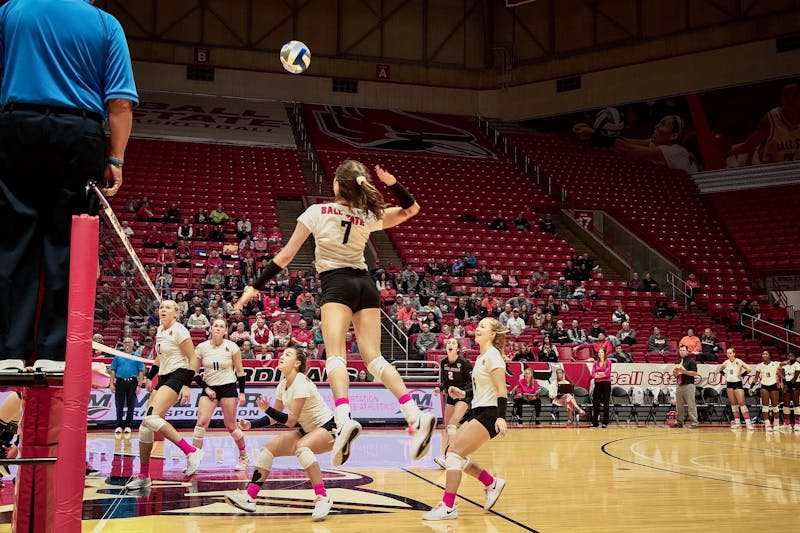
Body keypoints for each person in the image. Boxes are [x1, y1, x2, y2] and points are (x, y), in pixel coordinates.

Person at [236, 160, 435, 467]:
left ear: (337, 185)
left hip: (336, 283)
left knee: (336, 357)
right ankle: (414, 414)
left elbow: (286, 255)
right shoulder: (366, 215)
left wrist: (255, 286)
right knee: (376, 359)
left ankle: (343, 419)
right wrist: (393, 183)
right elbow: (411, 210)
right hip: (366, 284)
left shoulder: (317, 211)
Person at [0, 0, 137, 371]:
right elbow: (121, 104)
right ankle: (52, 354)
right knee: (66, 243)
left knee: (14, 241)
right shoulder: (106, 24)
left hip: (16, 125)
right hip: (79, 134)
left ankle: (9, 351)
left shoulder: (12, 10)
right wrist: (116, 159)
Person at [225, 348, 334, 520]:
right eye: (282, 354)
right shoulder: (283, 385)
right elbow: (274, 417)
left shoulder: (301, 382)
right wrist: (251, 424)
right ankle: (250, 497)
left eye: (288, 355)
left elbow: (290, 421)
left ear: (297, 363)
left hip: (330, 428)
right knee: (268, 449)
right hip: (308, 430)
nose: (282, 356)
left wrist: (267, 409)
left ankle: (322, 497)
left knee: (302, 447)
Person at [422, 318, 507, 521]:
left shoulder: (493, 357)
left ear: (492, 334)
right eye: (478, 326)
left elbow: (502, 389)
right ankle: (491, 482)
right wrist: (463, 393)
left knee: (453, 453)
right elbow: (480, 389)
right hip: (478, 410)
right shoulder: (482, 357)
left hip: (491, 413)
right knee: (457, 454)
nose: (478, 328)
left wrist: (502, 417)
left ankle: (448, 505)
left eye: (483, 327)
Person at [125, 300, 203, 490]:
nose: (163, 310)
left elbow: (194, 359)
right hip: (164, 376)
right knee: (145, 427)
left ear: (176, 313)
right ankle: (144, 475)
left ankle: (191, 451)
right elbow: (160, 357)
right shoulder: (161, 330)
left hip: (179, 375)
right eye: (161, 307)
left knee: (152, 418)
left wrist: (186, 384)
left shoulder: (179, 330)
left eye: (167, 307)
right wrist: (151, 377)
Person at [192, 318, 248, 470]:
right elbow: (194, 373)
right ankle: (194, 460)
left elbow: (240, 372)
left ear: (225, 331)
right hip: (209, 387)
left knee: (230, 425)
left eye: (221, 326)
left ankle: (244, 457)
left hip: (228, 387)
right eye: (215, 325)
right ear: (210, 328)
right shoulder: (202, 347)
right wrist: (206, 388)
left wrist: (242, 393)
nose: (218, 328)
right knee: (201, 422)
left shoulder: (232, 347)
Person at [432, 339, 473, 469]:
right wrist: (440, 388)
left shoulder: (465, 363)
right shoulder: (443, 362)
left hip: (463, 394)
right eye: (448, 342)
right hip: (451, 395)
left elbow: (473, 383)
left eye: (453, 343)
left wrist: (462, 392)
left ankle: (447, 457)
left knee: (452, 423)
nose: (450, 344)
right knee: (448, 427)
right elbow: (445, 381)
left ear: (458, 349)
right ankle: (459, 454)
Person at [109, 336, 145, 438]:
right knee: (119, 405)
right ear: (123, 344)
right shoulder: (118, 356)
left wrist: (139, 385)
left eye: (129, 342)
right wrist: (111, 383)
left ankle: (128, 425)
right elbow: (113, 370)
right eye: (126, 342)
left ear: (133, 344)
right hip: (120, 382)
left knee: (131, 404)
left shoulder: (137, 356)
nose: (127, 344)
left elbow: (141, 371)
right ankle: (119, 425)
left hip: (132, 382)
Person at [719, 348, 753, 430]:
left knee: (742, 404)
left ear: (734, 353)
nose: (728, 355)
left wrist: (742, 375)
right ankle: (737, 422)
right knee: (733, 404)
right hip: (729, 384)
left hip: (738, 383)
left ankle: (748, 423)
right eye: (727, 353)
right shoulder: (726, 362)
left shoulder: (739, 361)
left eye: (730, 353)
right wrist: (725, 375)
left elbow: (749, 369)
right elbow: (720, 370)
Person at [753, 350, 781, 432]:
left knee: (775, 406)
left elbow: (783, 367)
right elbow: (756, 378)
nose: (764, 355)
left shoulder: (775, 364)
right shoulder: (759, 366)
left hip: (773, 386)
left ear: (770, 356)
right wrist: (751, 387)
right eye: (763, 354)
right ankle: (767, 424)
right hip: (764, 387)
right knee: (765, 407)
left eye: (766, 354)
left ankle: (776, 423)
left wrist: (781, 381)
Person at [672, 345, 698, 429]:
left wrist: (684, 372)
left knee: (691, 404)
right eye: (680, 350)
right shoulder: (677, 362)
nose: (682, 351)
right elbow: (676, 375)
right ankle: (679, 422)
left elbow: (694, 373)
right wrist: (675, 373)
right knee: (679, 406)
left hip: (688, 385)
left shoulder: (691, 361)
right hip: (679, 385)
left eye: (683, 350)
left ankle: (694, 422)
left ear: (687, 351)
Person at [590, 349, 612, 428]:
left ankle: (605, 422)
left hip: (606, 383)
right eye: (599, 352)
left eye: (602, 352)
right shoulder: (595, 363)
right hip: (598, 384)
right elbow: (593, 374)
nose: (600, 353)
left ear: (605, 353)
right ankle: (595, 422)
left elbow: (608, 373)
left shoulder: (608, 362)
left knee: (606, 403)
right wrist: (602, 374)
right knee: (596, 403)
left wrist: (598, 374)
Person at [779, 351, 800, 431]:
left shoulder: (797, 365)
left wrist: (788, 386)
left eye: (792, 356)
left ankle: (797, 424)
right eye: (788, 356)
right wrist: (784, 385)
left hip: (795, 384)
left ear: (795, 357)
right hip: (786, 385)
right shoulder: (785, 365)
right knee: (786, 404)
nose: (790, 358)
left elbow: (795, 378)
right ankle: (787, 424)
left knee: (796, 403)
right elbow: (783, 376)